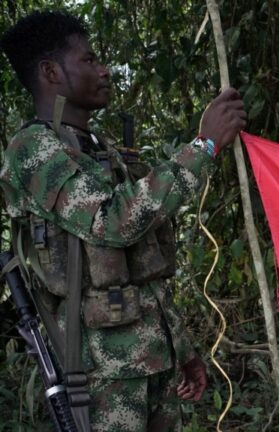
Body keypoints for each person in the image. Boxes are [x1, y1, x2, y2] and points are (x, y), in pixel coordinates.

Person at [0, 10, 246, 431]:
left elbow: (141, 268)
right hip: (99, 376)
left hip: (153, 364)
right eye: (90, 60)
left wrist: (181, 349)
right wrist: (203, 146)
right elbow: (111, 223)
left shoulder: (99, 150)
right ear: (50, 72)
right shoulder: (32, 150)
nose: (104, 69)